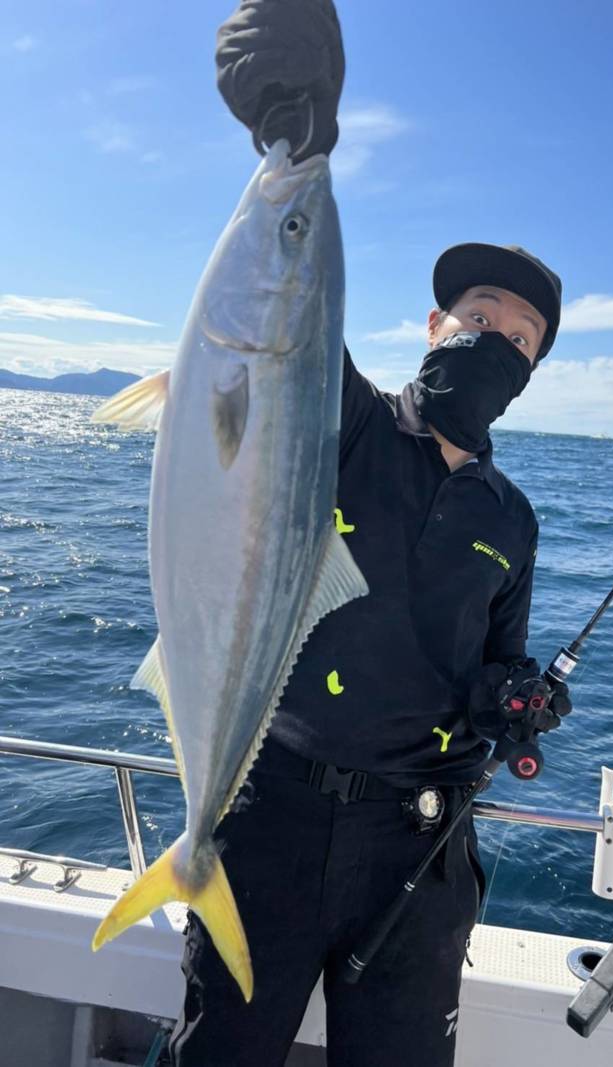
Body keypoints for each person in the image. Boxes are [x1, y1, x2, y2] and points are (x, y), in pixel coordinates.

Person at [168, 4, 572, 1065]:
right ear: (436, 326)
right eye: (479, 315)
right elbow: (278, 322)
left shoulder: (509, 517)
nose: (495, 339)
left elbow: (498, 662)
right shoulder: (340, 420)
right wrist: (293, 122)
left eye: (519, 337)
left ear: (529, 373)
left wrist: (517, 698)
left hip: (419, 853)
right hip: (271, 817)